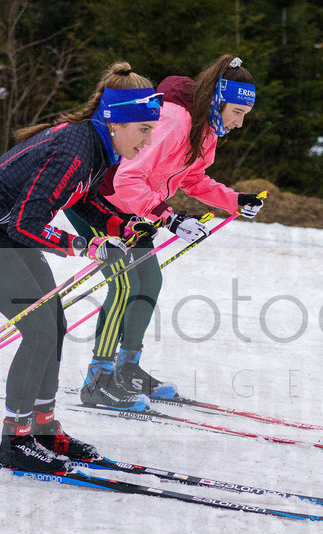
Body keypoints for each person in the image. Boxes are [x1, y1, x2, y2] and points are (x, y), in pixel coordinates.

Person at [0, 62, 161, 474]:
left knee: (55, 325)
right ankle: (16, 439)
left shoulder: (99, 146)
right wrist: (85, 245)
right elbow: (26, 222)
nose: (147, 141)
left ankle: (44, 428)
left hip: (8, 230)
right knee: (38, 330)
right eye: (143, 129)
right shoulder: (75, 148)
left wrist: (123, 224)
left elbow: (80, 198)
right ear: (115, 121)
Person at [65, 54, 264, 410]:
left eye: (244, 115)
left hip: (138, 209)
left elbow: (192, 179)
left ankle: (127, 369)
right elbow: (128, 177)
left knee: (148, 282)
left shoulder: (206, 130)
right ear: (218, 100)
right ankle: (99, 378)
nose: (237, 123)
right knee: (124, 284)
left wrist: (235, 200)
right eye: (236, 111)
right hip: (99, 200)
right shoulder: (175, 118)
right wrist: (169, 218)